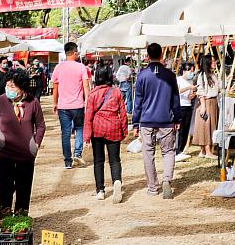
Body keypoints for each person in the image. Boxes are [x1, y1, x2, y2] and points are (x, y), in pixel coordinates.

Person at [0, 68, 46, 214]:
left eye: (13, 86)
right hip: (4, 151)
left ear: (22, 87)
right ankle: (5, 213)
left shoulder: (33, 102)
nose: (8, 89)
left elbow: (41, 126)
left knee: (24, 186)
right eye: (7, 85)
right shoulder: (1, 101)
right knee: (5, 184)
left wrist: (35, 144)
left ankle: (21, 216)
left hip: (26, 152)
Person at [133, 43, 181, 199]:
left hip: (146, 120)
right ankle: (167, 179)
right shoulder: (170, 75)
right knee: (168, 151)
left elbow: (138, 100)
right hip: (166, 119)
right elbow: (175, 99)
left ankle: (153, 187)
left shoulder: (142, 75)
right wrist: (178, 117)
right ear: (162, 55)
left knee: (148, 153)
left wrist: (135, 122)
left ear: (147, 56)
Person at [83, 64, 127, 203]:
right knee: (115, 160)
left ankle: (100, 190)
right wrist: (124, 131)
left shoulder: (92, 94)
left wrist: (86, 137)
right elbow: (123, 114)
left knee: (98, 161)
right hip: (114, 126)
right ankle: (116, 181)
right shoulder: (117, 92)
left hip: (98, 128)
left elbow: (88, 116)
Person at [51, 42, 91, 169]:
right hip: (78, 105)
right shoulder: (81, 67)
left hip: (63, 106)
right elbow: (86, 86)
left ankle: (67, 161)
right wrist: (87, 100)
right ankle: (77, 153)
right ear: (74, 52)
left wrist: (55, 103)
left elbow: (55, 88)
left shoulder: (58, 68)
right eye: (77, 51)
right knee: (79, 129)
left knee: (65, 133)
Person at [192, 54, 219, 159]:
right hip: (207, 102)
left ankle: (203, 151)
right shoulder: (202, 76)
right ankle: (207, 151)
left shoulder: (212, 75)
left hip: (212, 102)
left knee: (207, 126)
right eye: (212, 61)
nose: (214, 63)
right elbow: (201, 92)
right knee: (206, 126)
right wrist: (203, 106)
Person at [175, 63, 197, 161]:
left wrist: (193, 94)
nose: (191, 73)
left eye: (192, 71)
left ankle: (182, 150)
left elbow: (189, 96)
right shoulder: (178, 80)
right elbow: (177, 91)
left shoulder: (190, 81)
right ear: (184, 70)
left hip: (188, 105)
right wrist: (189, 88)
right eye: (190, 71)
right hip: (180, 106)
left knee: (186, 129)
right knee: (181, 129)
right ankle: (177, 150)